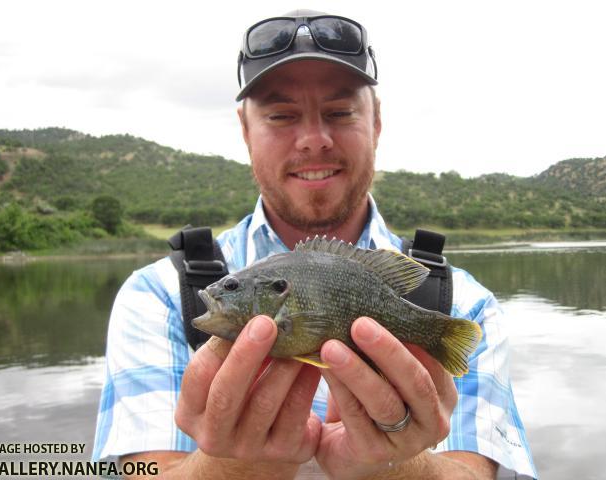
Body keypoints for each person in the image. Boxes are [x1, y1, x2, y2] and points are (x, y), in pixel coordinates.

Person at [93, 9, 537, 479]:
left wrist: (400, 469)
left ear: (377, 123)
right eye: (282, 115)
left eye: (340, 112)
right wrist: (234, 467)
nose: (313, 140)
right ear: (246, 131)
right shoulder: (156, 296)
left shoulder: (465, 305)